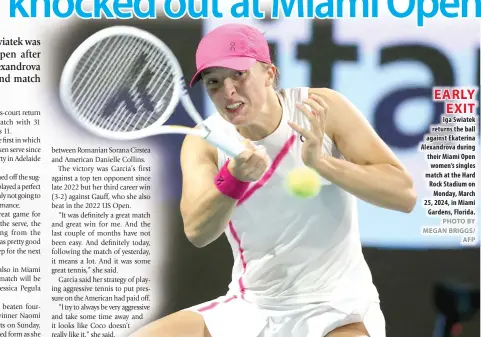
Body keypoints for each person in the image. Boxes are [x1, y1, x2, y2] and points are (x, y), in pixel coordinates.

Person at [131, 23, 417, 337]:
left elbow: (404, 195)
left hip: (338, 307)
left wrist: (323, 164)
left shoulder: (320, 108)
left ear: (269, 74)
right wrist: (234, 178)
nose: (228, 92)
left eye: (239, 75)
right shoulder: (203, 142)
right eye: (214, 82)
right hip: (252, 306)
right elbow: (198, 231)